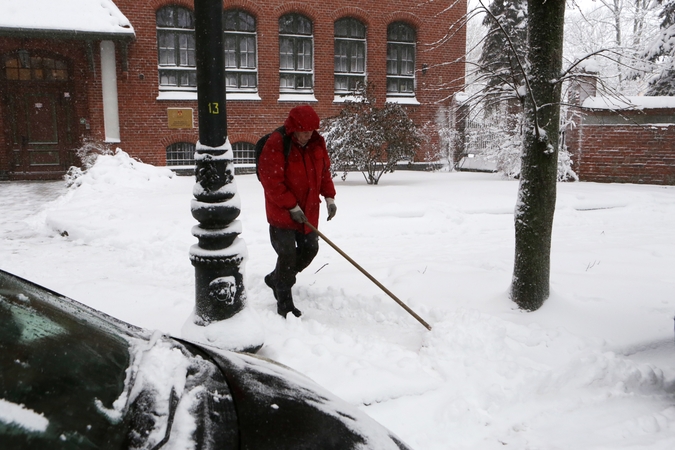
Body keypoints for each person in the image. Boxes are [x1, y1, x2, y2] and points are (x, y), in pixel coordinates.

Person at [258, 105, 337, 318]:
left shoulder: (316, 143)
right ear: (293, 128)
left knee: (310, 249)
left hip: (308, 211)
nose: (306, 135)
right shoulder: (277, 143)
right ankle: (285, 303)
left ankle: (277, 279)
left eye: (310, 131)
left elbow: (324, 172)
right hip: (281, 212)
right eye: (302, 132)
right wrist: (291, 206)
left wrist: (329, 197)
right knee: (287, 255)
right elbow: (271, 181)